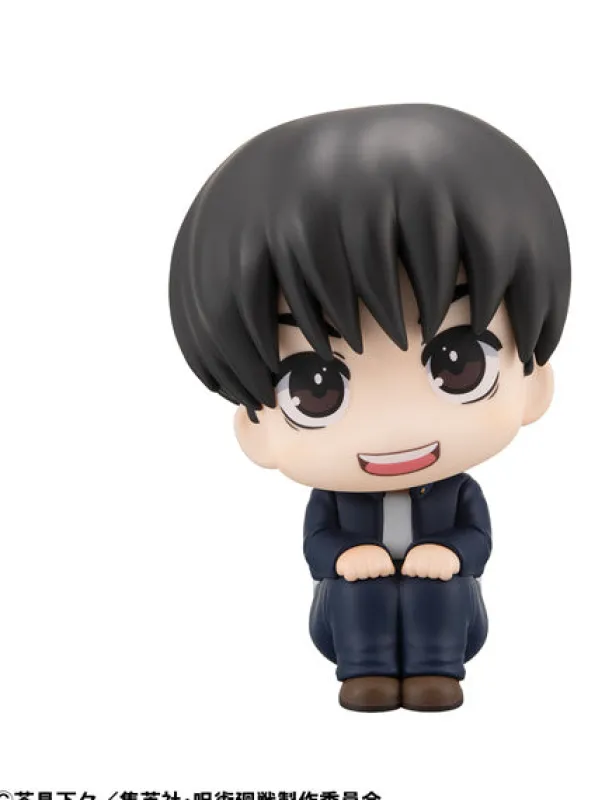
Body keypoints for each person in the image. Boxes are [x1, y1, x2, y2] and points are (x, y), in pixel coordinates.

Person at [169, 104, 571, 711]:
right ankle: (365, 672)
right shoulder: (333, 500)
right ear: (256, 429)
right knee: (358, 593)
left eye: (458, 364)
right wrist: (344, 556)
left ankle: (438, 670)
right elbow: (317, 545)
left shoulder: (457, 492)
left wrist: (453, 553)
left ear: (533, 381)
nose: (395, 426)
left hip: (450, 605)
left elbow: (478, 539)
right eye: (315, 390)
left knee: (443, 590)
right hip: (349, 608)